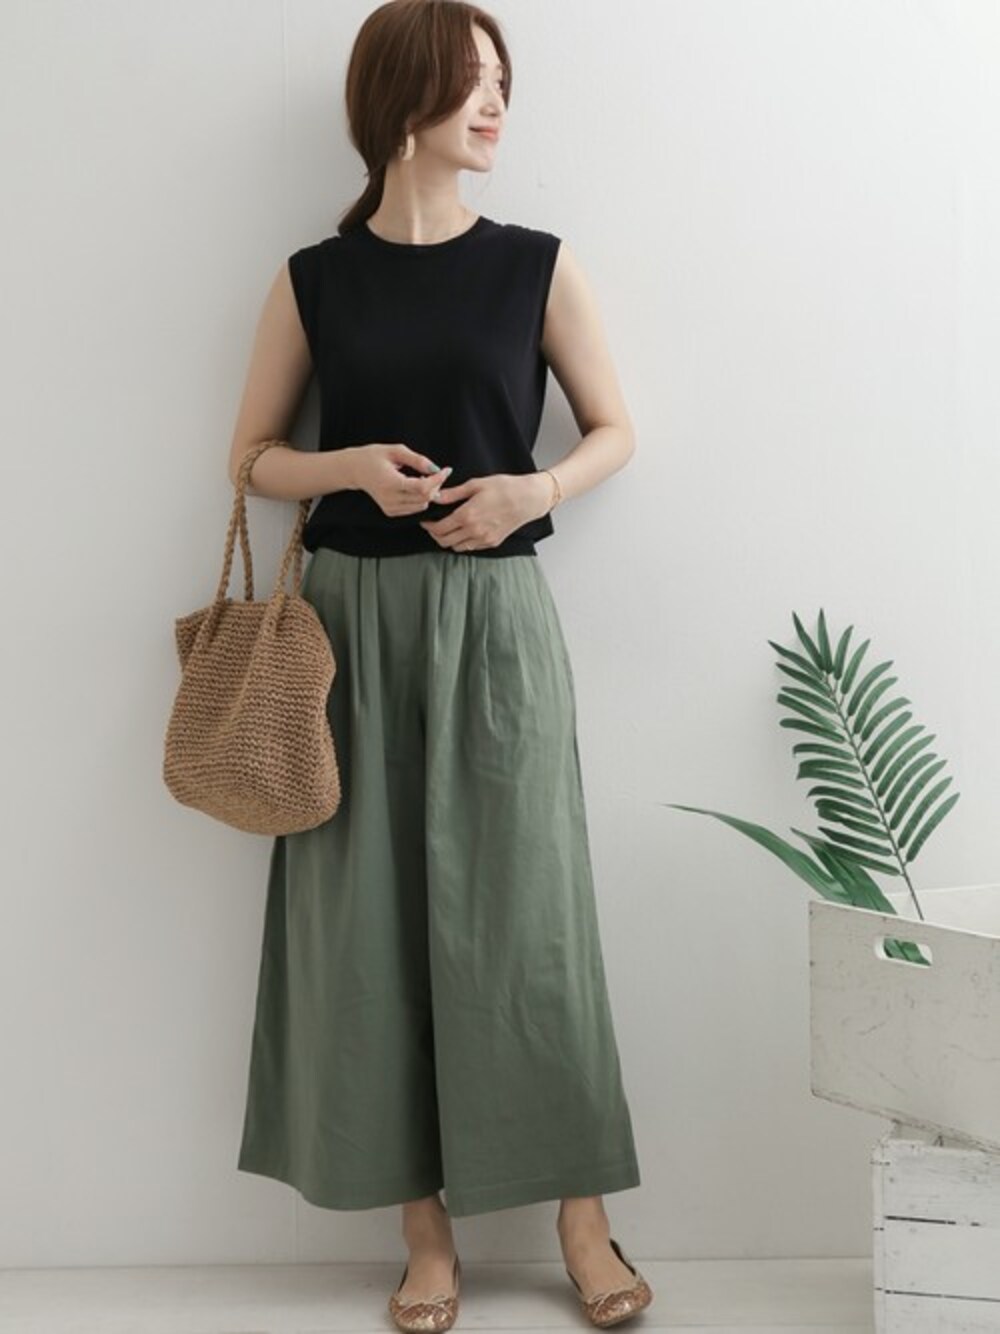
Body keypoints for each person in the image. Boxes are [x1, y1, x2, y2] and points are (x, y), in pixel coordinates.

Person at [228, 2, 652, 1329]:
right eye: (470, 81)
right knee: (366, 926)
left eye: (500, 81)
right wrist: (350, 465)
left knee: (531, 918)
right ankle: (425, 1232)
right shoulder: (315, 280)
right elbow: (250, 460)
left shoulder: (535, 266)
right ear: (399, 99)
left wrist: (534, 493)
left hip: (498, 619)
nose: (495, 104)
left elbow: (614, 428)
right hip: (349, 626)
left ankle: (583, 1216)